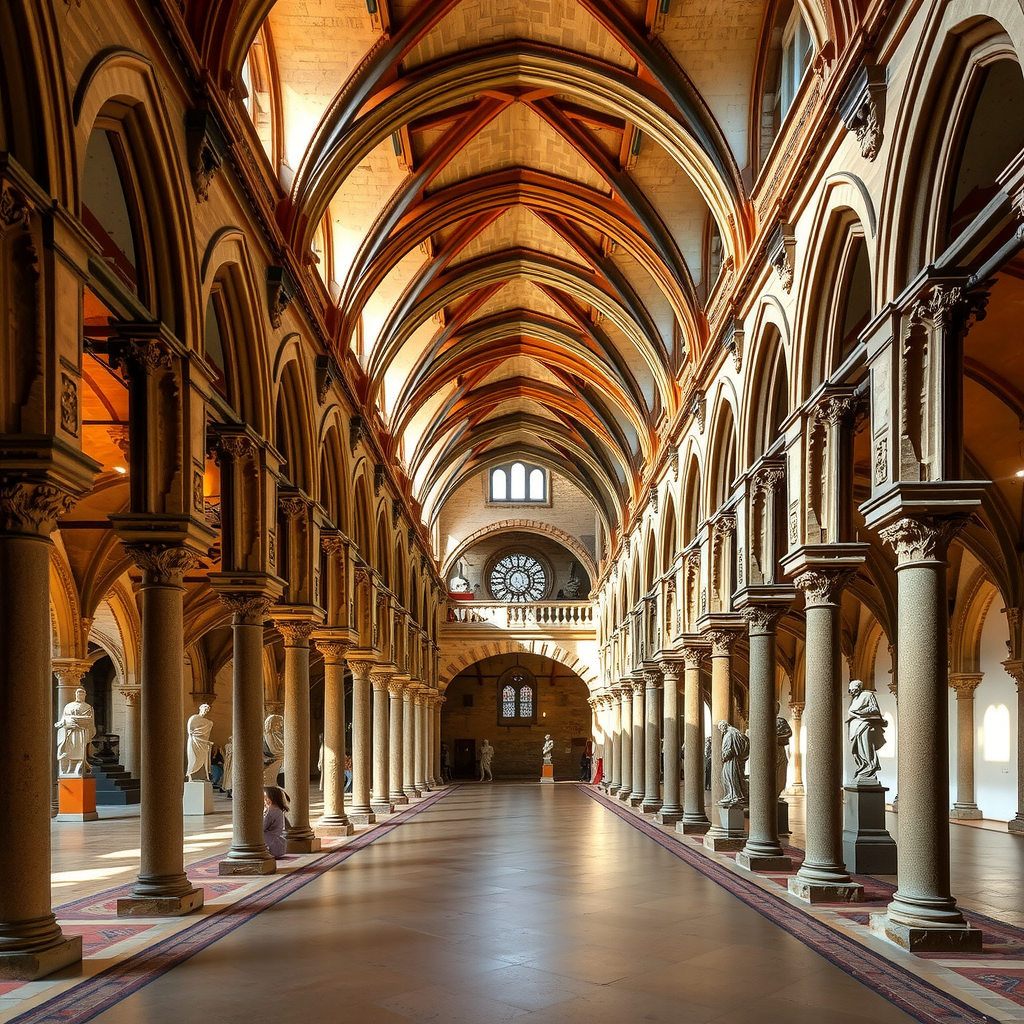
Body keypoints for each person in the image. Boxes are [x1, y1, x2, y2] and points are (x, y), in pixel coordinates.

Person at [847, 679, 886, 781]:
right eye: (850, 690)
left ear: (859, 688)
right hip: (854, 726)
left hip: (864, 725)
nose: (851, 692)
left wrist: (860, 712)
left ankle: (869, 767)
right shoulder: (854, 699)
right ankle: (861, 767)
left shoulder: (867, 695)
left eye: (853, 690)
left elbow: (875, 709)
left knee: (865, 747)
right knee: (855, 750)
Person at [55, 687, 96, 777]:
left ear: (85, 695)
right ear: (76, 694)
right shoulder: (69, 706)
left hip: (82, 732)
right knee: (70, 749)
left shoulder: (88, 707)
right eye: (79, 693)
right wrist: (64, 722)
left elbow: (90, 720)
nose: (80, 695)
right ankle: (69, 768)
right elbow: (64, 718)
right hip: (70, 732)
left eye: (82, 694)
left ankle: (80, 766)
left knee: (80, 750)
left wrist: (76, 719)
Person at [717, 720, 749, 807]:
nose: (721, 730)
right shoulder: (733, 732)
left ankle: (734, 795)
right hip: (732, 760)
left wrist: (724, 757)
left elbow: (730, 749)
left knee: (730, 777)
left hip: (731, 761)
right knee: (728, 777)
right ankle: (732, 794)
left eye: (720, 728)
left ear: (724, 726)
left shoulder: (730, 734)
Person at [185, 703, 215, 781]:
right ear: (200, 708)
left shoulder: (208, 723)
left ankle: (203, 776)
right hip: (195, 741)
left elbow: (206, 735)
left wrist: (207, 742)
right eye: (205, 709)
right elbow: (191, 732)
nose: (205, 711)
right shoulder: (194, 718)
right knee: (194, 758)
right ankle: (191, 775)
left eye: (207, 710)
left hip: (204, 744)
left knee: (203, 759)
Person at [263, 786, 289, 858]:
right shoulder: (277, 809)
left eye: (265, 797)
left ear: (270, 798)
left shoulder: (271, 811)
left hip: (271, 844)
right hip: (277, 844)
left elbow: (262, 827)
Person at [263, 713, 284, 784]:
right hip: (272, 762)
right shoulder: (267, 737)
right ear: (271, 725)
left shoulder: (279, 735)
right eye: (278, 724)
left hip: (280, 762)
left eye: (281, 724)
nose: (280, 726)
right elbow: (274, 750)